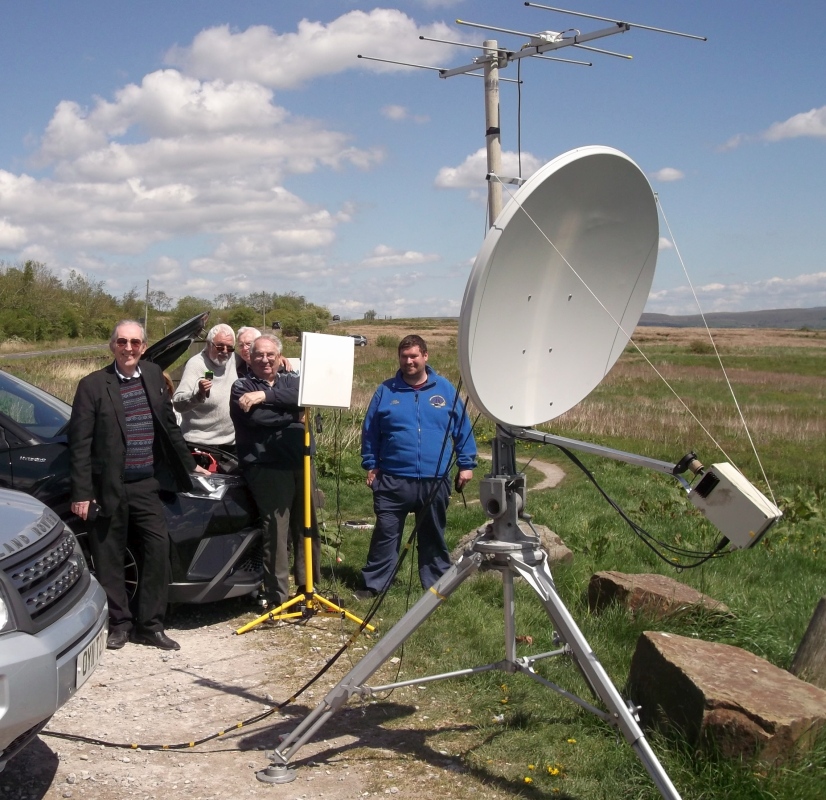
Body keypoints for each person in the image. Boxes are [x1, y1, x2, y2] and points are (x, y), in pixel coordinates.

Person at [69, 320, 206, 651]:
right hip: (107, 488)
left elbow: (169, 427)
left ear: (143, 346)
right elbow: (79, 444)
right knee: (109, 556)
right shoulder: (92, 385)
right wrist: (82, 493)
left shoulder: (153, 376)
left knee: (158, 551)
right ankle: (120, 623)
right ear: (112, 345)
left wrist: (190, 465)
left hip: (146, 484)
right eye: (121, 342)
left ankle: (150, 624)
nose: (128, 348)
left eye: (134, 342)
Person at [358, 335, 477, 598]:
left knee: (433, 533)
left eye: (414, 356)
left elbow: (462, 430)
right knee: (386, 534)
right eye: (404, 356)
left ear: (425, 356)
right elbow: (370, 433)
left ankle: (437, 585)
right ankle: (373, 585)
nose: (409, 361)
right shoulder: (385, 391)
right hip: (393, 479)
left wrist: (466, 464)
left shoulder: (445, 390)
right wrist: (371, 464)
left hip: (435, 479)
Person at [230, 333, 321, 608]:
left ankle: (309, 589)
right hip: (267, 468)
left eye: (270, 354)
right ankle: (277, 596)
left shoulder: (292, 380)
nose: (265, 359)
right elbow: (259, 418)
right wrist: (294, 414)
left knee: (307, 526)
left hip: (301, 461)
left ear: (279, 358)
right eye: (258, 354)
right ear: (250, 357)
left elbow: (306, 394)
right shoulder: (240, 385)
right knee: (277, 531)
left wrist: (265, 395)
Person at [173, 323, 237, 453]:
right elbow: (177, 403)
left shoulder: (233, 359)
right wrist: (198, 394)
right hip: (200, 445)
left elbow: (256, 358)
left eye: (229, 348)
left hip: (230, 445)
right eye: (220, 346)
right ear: (208, 344)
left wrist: (278, 357)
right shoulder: (196, 364)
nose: (225, 351)